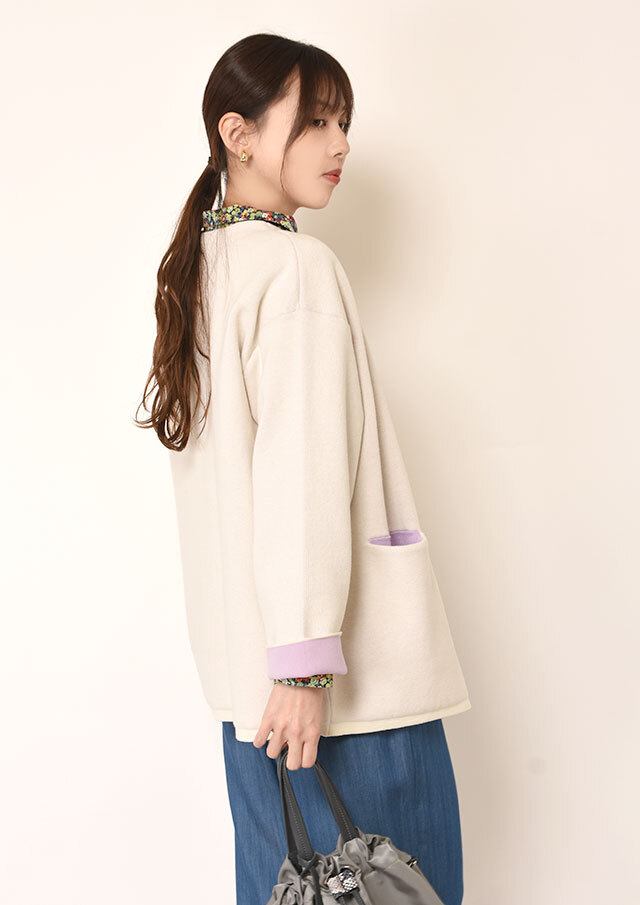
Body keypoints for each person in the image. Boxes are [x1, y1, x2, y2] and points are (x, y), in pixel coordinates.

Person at [136, 32, 472, 905]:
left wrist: (280, 674)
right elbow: (299, 481)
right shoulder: (295, 269)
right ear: (238, 134)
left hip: (251, 701)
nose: (341, 143)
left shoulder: (201, 270)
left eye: (344, 121)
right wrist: (304, 668)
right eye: (317, 121)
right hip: (337, 699)